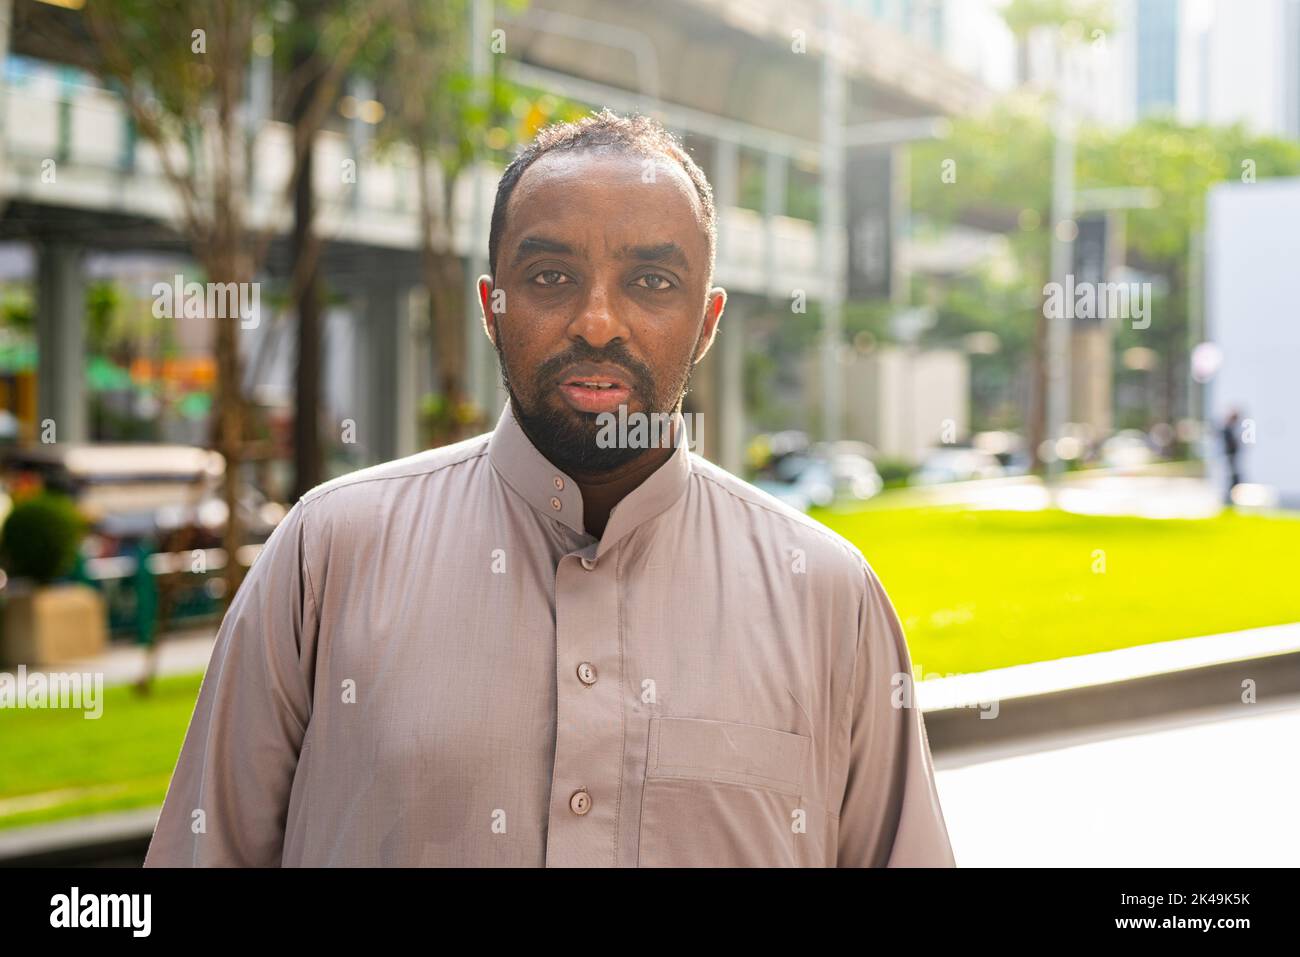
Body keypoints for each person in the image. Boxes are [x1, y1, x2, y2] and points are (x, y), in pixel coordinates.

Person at [144, 109, 955, 868]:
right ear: (492, 308)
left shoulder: (828, 598)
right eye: (551, 274)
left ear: (707, 323)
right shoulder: (327, 556)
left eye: (652, 283)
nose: (599, 321)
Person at [1221, 409, 1242, 504]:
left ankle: (1232, 497)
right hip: (1228, 457)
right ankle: (1228, 498)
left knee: (1235, 477)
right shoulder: (1226, 430)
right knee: (1231, 477)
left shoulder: (1229, 429)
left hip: (1232, 457)